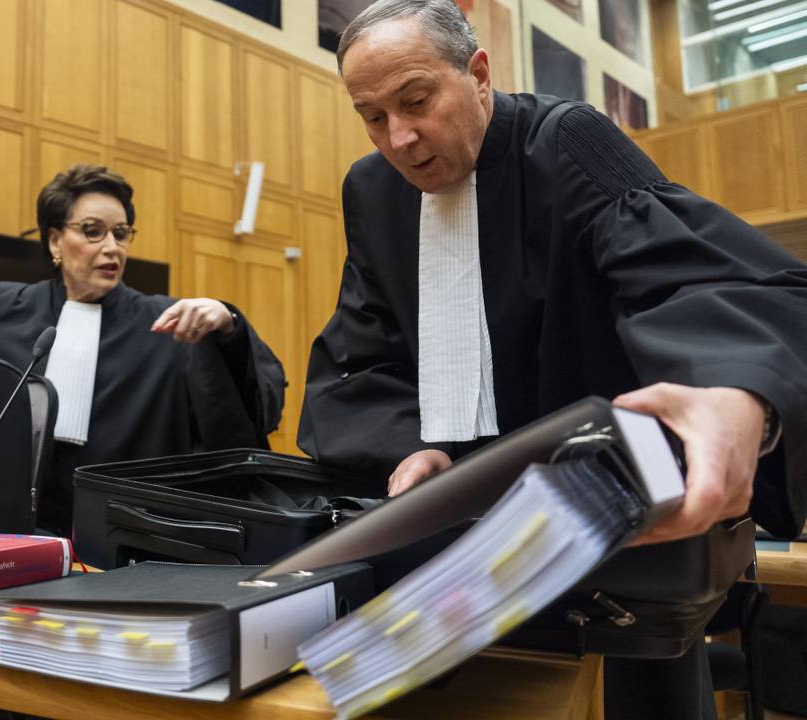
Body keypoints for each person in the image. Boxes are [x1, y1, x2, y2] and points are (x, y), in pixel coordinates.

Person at [299, 1, 807, 717]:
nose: (401, 139)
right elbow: (361, 355)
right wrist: (410, 448)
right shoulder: (373, 191)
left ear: (477, 74)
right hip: (456, 539)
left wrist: (737, 390)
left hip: (607, 528)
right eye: (373, 117)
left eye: (416, 101)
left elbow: (694, 278)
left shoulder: (565, 139)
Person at [0, 164, 285, 535]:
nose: (112, 247)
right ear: (56, 240)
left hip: (128, 529)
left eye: (121, 233)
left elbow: (249, 405)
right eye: (93, 231)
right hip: (11, 526)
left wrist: (228, 324)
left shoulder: (168, 322)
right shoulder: (4, 308)